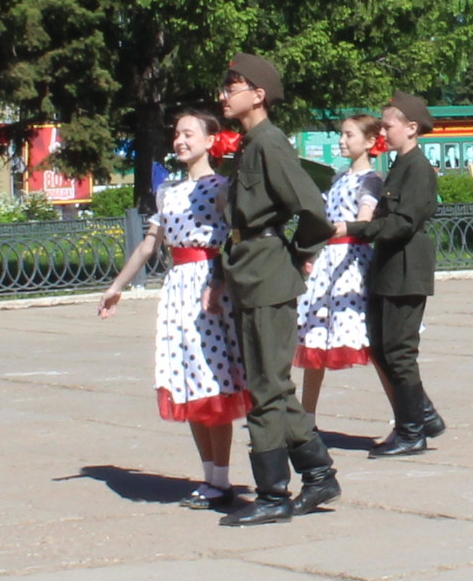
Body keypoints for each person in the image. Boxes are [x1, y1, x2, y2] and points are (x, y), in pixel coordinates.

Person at [99, 107, 251, 505]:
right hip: (178, 291)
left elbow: (236, 234)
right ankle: (209, 477)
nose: (180, 140)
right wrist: (117, 286)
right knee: (188, 381)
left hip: (209, 286)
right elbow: (151, 243)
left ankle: (221, 478)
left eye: (188, 134)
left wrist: (219, 281)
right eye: (177, 134)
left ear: (210, 141)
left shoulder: (221, 187)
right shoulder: (168, 191)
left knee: (214, 378)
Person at [213, 51, 338, 526]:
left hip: (267, 270)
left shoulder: (269, 142)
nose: (225, 95)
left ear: (258, 94)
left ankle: (272, 495)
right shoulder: (251, 143)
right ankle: (317, 472)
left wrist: (301, 255)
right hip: (250, 270)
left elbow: (313, 211)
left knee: (266, 389)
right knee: (271, 384)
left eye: (233, 86)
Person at [350, 90, 445, 455]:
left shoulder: (417, 168)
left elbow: (403, 223)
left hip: (406, 268)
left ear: (411, 127)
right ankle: (423, 415)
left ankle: (411, 433)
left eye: (388, 126)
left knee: (399, 351)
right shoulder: (400, 166)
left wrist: (356, 229)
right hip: (389, 266)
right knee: (381, 346)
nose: (382, 132)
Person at [295, 115, 383, 427]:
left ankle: (407, 416)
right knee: (316, 336)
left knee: (371, 341)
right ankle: (307, 417)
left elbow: (365, 218)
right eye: (341, 135)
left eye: (349, 135)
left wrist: (331, 231)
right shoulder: (338, 179)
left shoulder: (370, 180)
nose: (342, 141)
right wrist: (311, 251)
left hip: (352, 261)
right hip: (329, 260)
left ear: (370, 142)